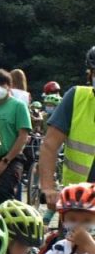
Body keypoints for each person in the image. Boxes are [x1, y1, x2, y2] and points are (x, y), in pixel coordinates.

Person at [39, 46, 95, 214]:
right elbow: (49, 145)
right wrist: (48, 188)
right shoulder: (76, 97)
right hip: (76, 202)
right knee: (64, 240)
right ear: (90, 74)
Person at [0, 69, 32, 203]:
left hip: (11, 158)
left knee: (4, 195)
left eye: (2, 85)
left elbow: (23, 137)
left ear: (9, 86)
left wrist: (5, 161)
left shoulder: (18, 106)